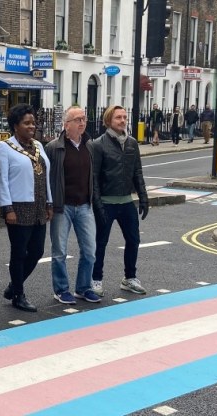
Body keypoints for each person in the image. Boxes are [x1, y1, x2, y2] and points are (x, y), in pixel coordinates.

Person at [0, 104, 53, 312]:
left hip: (39, 205)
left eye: (33, 122)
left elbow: (45, 175)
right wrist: (7, 207)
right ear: (15, 126)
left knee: (37, 251)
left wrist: (49, 202)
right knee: (19, 252)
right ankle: (19, 295)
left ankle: (14, 284)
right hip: (18, 206)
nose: (32, 126)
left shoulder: (38, 145)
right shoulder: (4, 148)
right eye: (26, 123)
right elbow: (2, 180)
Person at [45, 106, 101, 305]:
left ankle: (83, 288)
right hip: (62, 206)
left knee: (89, 250)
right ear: (66, 125)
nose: (82, 123)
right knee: (59, 251)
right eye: (77, 119)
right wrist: (48, 204)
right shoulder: (54, 147)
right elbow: (47, 178)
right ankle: (61, 290)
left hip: (84, 205)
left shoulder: (90, 145)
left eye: (84, 119)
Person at [92, 106, 149, 297]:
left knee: (133, 240)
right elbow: (94, 177)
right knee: (101, 242)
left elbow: (137, 172)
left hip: (126, 202)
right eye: (118, 117)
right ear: (109, 121)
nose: (123, 120)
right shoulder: (98, 144)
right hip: (107, 202)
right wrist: (97, 203)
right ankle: (96, 279)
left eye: (125, 117)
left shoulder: (132, 143)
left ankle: (130, 278)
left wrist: (143, 197)